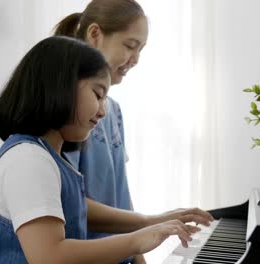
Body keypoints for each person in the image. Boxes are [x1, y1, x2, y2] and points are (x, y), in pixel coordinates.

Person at [0, 36, 201, 264]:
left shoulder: (48, 159)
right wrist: (138, 240)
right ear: (60, 86)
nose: (102, 112)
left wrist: (151, 222)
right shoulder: (28, 160)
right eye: (98, 95)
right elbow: (49, 257)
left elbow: (80, 214)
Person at [54, 1, 214, 263]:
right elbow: (67, 201)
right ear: (95, 34)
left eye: (141, 49)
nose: (136, 60)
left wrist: (139, 256)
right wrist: (154, 222)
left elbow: (121, 199)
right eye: (130, 46)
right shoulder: (64, 107)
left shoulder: (112, 111)